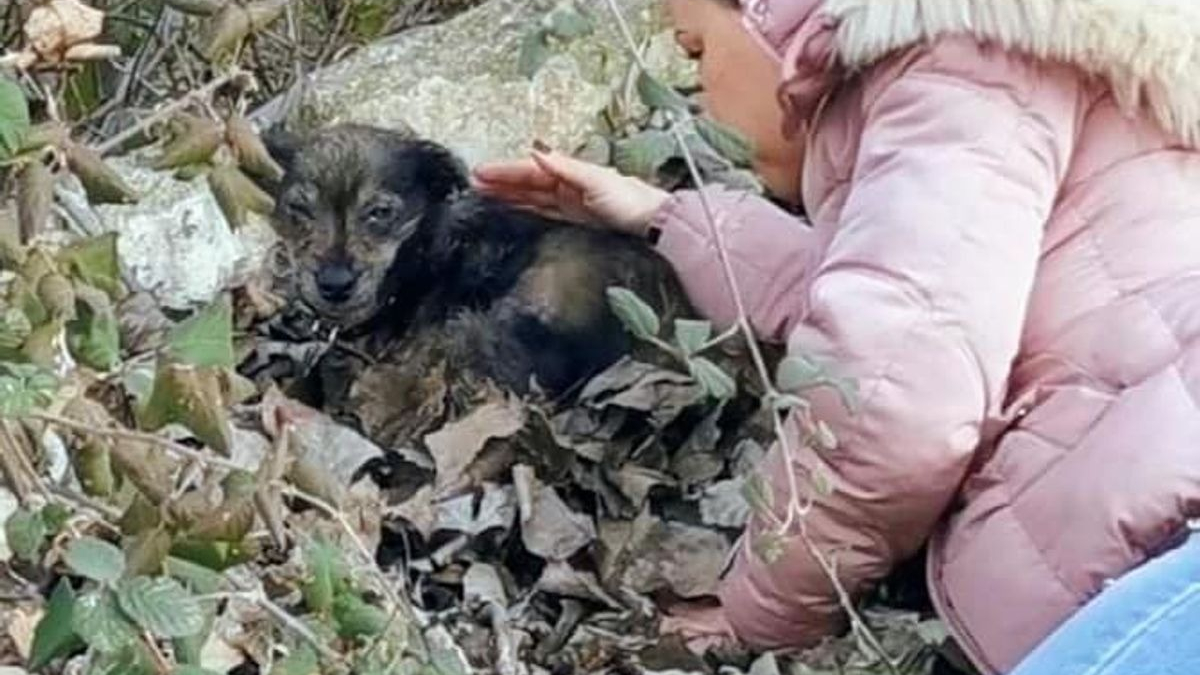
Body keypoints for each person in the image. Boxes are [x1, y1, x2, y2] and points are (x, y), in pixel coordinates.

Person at [471, 0, 1200, 673]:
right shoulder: (1015, 59)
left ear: (765, 16)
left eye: (694, 54)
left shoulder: (959, 66)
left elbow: (893, 395)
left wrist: (756, 612)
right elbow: (886, 302)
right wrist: (665, 218)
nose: (697, 100)